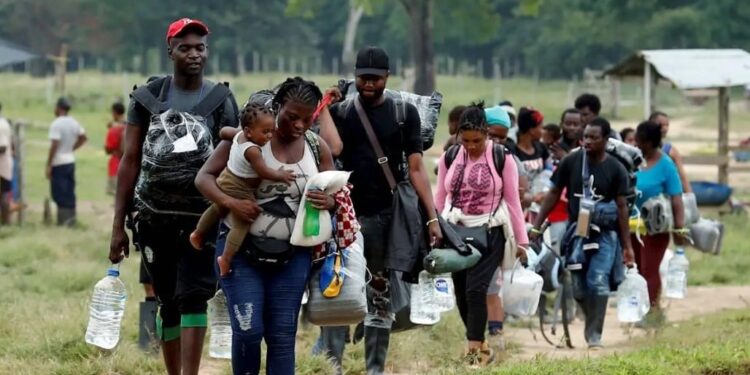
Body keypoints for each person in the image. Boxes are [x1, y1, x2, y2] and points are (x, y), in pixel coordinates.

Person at [109, 18, 240, 375]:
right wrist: (118, 227)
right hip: (154, 218)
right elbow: (130, 160)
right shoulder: (147, 99)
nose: (194, 54)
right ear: (170, 51)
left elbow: (235, 158)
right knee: (167, 300)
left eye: (200, 47)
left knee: (195, 295)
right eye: (185, 47)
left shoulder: (221, 100)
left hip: (203, 217)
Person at [315, 46, 443, 375]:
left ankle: (375, 369)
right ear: (355, 76)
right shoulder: (342, 113)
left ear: (387, 78)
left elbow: (416, 170)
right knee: (337, 290)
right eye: (362, 78)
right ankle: (333, 367)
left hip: (388, 217)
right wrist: (326, 108)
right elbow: (334, 149)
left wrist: (431, 217)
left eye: (375, 78)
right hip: (345, 216)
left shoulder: (404, 114)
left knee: (380, 293)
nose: (368, 84)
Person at [196, 77, 335, 375]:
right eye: (291, 116)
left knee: (282, 336)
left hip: (293, 255)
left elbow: (338, 196)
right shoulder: (248, 139)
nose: (299, 125)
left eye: (306, 118)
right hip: (240, 252)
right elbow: (204, 178)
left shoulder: (315, 146)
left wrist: (329, 203)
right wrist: (232, 204)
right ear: (277, 107)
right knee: (248, 331)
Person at [435, 102, 528, 367]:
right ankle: (482, 345)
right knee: (461, 293)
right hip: (455, 233)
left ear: (486, 134)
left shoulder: (502, 157)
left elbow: (513, 202)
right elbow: (440, 197)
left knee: (477, 290)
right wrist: (433, 228)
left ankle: (473, 355)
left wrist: (522, 242)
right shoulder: (450, 157)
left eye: (477, 140)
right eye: (466, 141)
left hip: (491, 233)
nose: (472, 146)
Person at [530, 117, 635, 349]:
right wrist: (537, 226)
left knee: (598, 281)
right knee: (578, 287)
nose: (588, 141)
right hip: (576, 231)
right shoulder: (572, 161)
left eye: (594, 138)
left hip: (606, 234)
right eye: (586, 136)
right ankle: (592, 319)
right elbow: (554, 193)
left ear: (606, 140)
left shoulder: (616, 168)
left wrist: (627, 247)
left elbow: (621, 208)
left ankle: (594, 335)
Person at [190, 102, 296, 277]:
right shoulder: (252, 150)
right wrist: (280, 175)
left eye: (272, 130)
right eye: (265, 132)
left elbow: (224, 131)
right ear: (249, 131)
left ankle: (198, 233)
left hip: (226, 177)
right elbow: (263, 171)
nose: (270, 136)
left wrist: (226, 132)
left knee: (219, 207)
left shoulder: (239, 135)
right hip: (240, 186)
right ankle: (226, 258)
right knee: (244, 220)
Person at [632, 121, 687, 310]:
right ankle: (639, 308)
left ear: (649, 142)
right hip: (632, 225)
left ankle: (653, 312)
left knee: (650, 269)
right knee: (636, 270)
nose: (636, 144)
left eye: (639, 140)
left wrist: (680, 228)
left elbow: (676, 197)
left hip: (655, 226)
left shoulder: (666, 165)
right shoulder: (634, 161)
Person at [46, 97, 87, 226]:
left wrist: (48, 164)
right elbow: (83, 138)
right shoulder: (74, 122)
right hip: (70, 160)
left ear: (59, 108)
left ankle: (63, 221)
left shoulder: (56, 123)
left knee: (59, 192)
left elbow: (54, 145)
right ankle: (71, 220)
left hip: (58, 162)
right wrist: (71, 148)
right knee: (69, 190)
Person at [509, 108, 550, 221]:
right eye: (540, 127)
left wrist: (544, 193)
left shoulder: (541, 148)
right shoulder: (512, 150)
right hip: (521, 204)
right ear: (531, 130)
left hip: (539, 202)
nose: (543, 131)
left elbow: (549, 171)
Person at [649, 111, 692, 193]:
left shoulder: (670, 150)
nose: (665, 128)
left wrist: (690, 197)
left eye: (667, 125)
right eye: (661, 124)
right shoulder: (641, 149)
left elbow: (682, 176)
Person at [105, 102, 127, 195]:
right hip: (130, 165)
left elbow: (108, 149)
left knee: (116, 195)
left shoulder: (114, 129)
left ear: (114, 112)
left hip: (116, 164)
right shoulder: (130, 126)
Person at [0, 103, 12, 225]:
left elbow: (2, 147)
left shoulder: (1, 125)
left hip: (2, 166)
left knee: (3, 194)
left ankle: (6, 223)